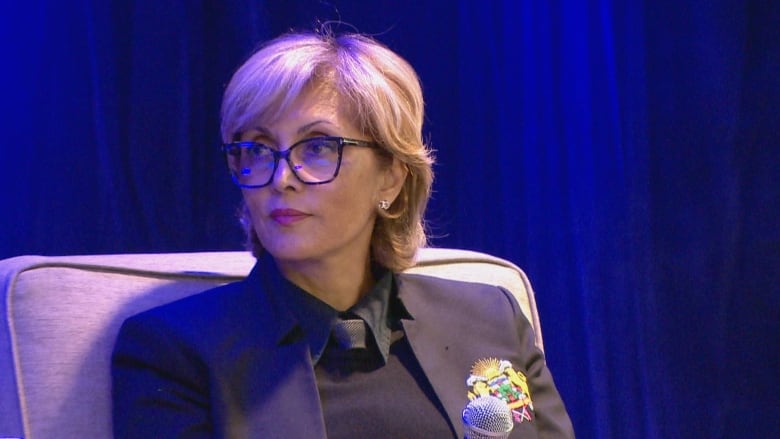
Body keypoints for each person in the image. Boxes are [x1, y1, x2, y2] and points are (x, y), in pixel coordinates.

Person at [111, 29, 574, 438]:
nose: (280, 178)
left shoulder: (488, 315)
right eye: (256, 149)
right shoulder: (172, 350)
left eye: (316, 148)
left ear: (391, 177)